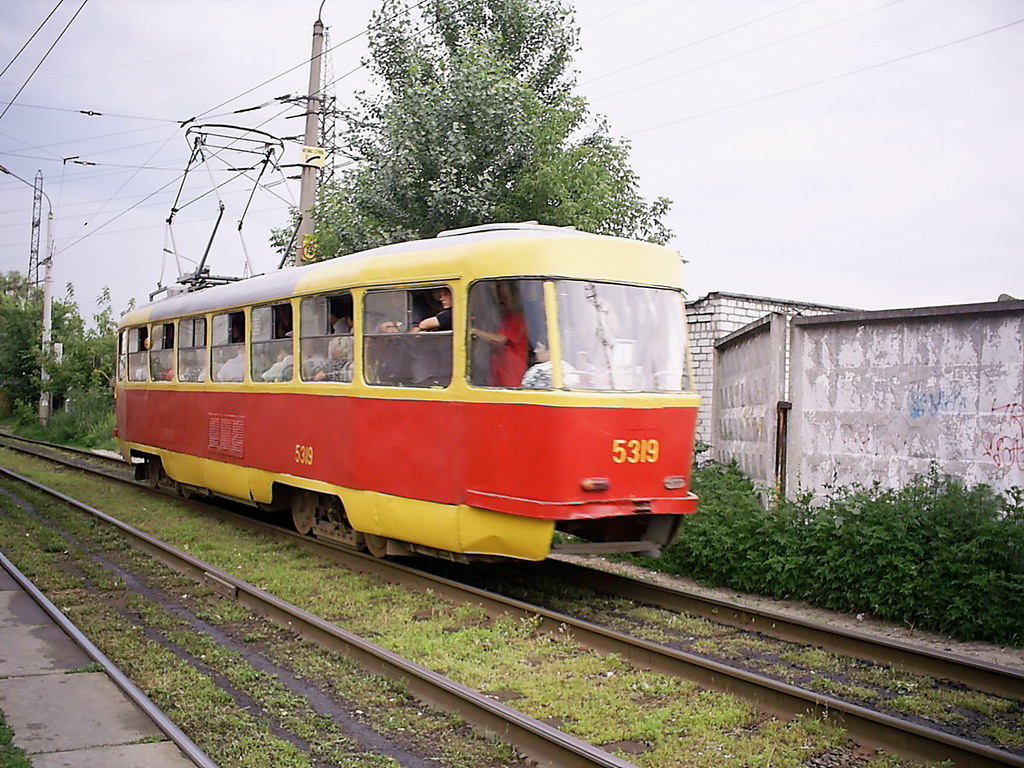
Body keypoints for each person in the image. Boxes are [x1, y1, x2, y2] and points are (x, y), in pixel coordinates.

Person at [471, 282, 527, 387]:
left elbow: (500, 340)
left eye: (504, 296)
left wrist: (473, 330)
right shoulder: (504, 318)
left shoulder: (516, 318)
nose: (501, 299)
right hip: (499, 373)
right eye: (498, 294)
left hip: (512, 375)